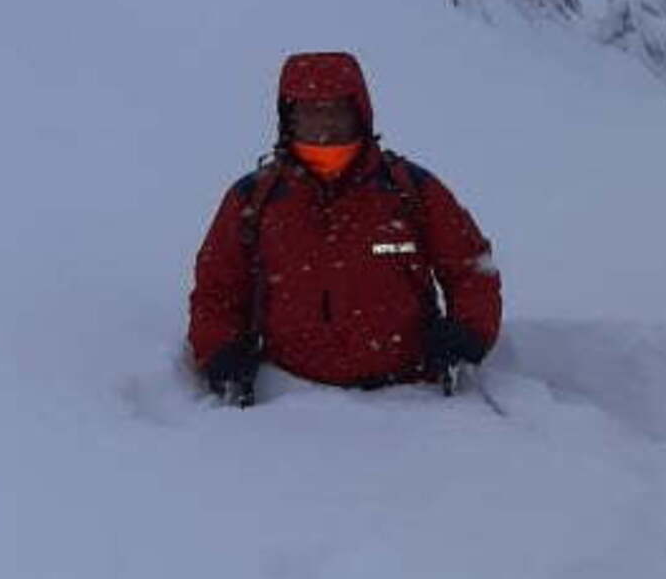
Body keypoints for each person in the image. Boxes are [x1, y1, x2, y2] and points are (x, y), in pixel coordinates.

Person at [188, 52, 501, 405]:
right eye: (310, 111)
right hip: (285, 405)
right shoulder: (253, 199)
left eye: (336, 109)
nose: (325, 124)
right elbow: (217, 290)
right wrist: (220, 350)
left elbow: (471, 268)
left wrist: (469, 332)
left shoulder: (409, 189)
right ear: (288, 119)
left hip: (413, 402)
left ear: (360, 114)